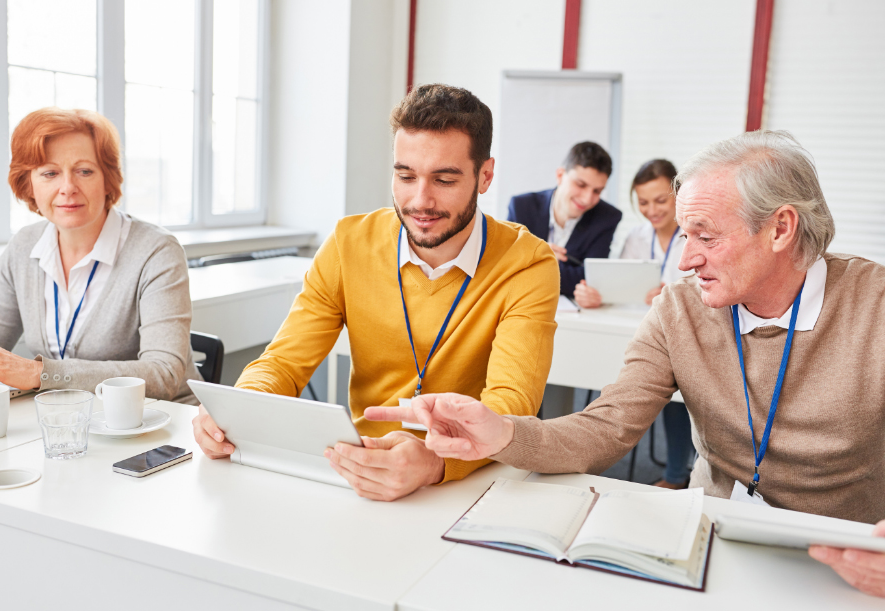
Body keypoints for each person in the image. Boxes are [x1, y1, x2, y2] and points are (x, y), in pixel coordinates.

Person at [368, 130, 885, 597]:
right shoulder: (680, 310)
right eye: (684, 236)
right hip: (711, 543)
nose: (685, 260)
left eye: (705, 236)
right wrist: (502, 433)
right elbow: (607, 428)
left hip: (848, 562)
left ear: (780, 229)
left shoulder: (875, 307)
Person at [191, 84, 560, 501]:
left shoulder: (528, 262)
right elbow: (283, 363)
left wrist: (434, 461)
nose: (421, 200)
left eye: (444, 179)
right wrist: (236, 410)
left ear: (485, 175)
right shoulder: (350, 242)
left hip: (475, 482)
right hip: (360, 472)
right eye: (406, 175)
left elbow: (510, 405)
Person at [0, 108, 200, 404]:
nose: (68, 188)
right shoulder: (23, 247)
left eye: (84, 171)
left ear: (107, 179)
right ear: (29, 183)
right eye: (50, 173)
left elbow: (163, 375)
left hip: (165, 426)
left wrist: (41, 373)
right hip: (73, 424)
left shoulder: (156, 251)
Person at [574, 159, 695, 489]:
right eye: (643, 202)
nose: (651, 210)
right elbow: (619, 288)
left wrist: (673, 294)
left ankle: (676, 475)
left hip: (680, 335)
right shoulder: (637, 236)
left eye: (660, 200)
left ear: (678, 195)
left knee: (675, 386)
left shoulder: (696, 234)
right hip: (634, 331)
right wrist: (597, 296)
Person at [507, 142, 622, 297]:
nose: (587, 199)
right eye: (581, 185)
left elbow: (590, 279)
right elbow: (506, 267)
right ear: (560, 176)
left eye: (597, 191)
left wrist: (534, 262)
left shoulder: (607, 218)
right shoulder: (522, 207)